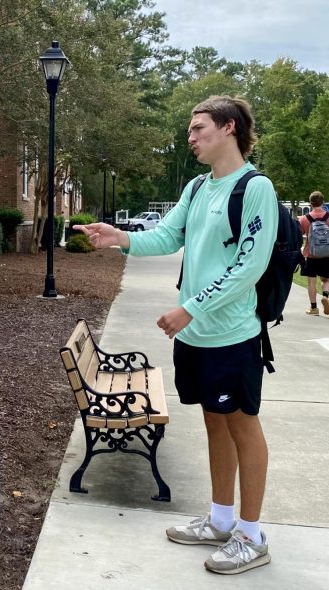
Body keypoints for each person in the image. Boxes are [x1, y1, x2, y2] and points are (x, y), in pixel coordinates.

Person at [75, 95, 277, 575]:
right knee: (215, 423)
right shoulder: (197, 188)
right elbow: (167, 237)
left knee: (242, 424)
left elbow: (248, 267)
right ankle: (221, 519)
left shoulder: (255, 188)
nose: (191, 138)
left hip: (232, 334)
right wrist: (120, 237)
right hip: (198, 337)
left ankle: (252, 535)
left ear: (228, 128)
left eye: (198, 128)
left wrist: (190, 308)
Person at [299, 191, 329, 315]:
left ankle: (313, 308)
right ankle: (326, 297)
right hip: (327, 254)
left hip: (311, 255)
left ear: (310, 203)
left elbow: (299, 235)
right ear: (322, 202)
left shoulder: (304, 219)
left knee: (311, 281)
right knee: (326, 280)